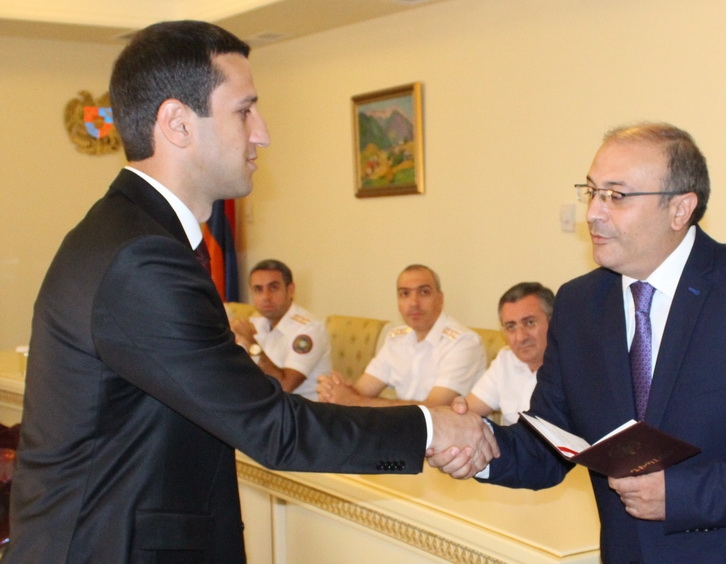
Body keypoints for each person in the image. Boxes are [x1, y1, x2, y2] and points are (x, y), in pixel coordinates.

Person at [7, 21, 495, 563]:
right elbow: (273, 428)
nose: (262, 133)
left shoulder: (131, 235)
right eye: (244, 111)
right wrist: (428, 426)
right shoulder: (141, 259)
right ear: (178, 123)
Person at [431, 123, 726, 563]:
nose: (593, 213)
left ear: (680, 209)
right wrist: (479, 446)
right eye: (592, 192)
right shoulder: (578, 305)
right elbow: (549, 444)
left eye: (616, 196)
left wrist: (686, 494)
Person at [318, 264, 486, 408]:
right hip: (401, 430)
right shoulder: (396, 339)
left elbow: (433, 409)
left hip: (447, 434)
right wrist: (337, 390)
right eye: (405, 294)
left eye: (424, 292)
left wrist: (353, 400)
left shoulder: (463, 343)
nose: (413, 303)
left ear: (440, 299)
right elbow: (361, 391)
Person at [230, 259, 331, 400]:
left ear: (290, 290)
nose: (266, 297)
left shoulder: (309, 329)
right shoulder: (257, 321)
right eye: (258, 289)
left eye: (273, 288)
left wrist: (252, 344)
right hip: (263, 404)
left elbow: (284, 386)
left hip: (300, 409)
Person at [465, 282, 554, 425]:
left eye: (530, 322)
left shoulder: (574, 365)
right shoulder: (506, 359)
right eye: (511, 326)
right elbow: (467, 412)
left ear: (553, 321)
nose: (521, 337)